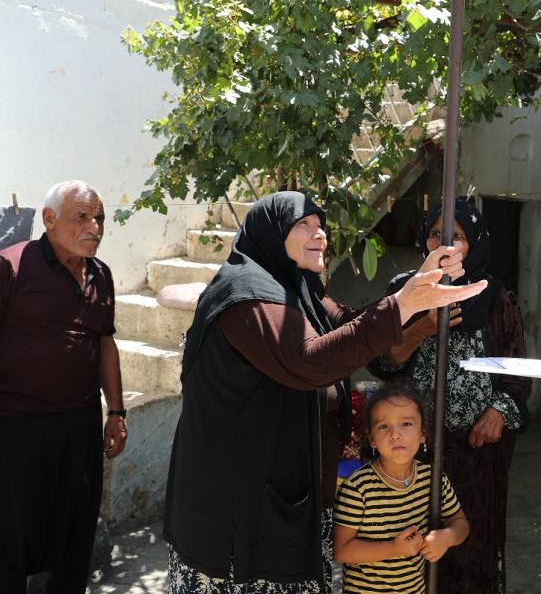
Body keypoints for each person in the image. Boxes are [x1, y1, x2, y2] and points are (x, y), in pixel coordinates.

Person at [163, 191, 486, 593]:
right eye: (304, 225)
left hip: (278, 499)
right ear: (271, 231)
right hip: (234, 505)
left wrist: (420, 284)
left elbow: (355, 330)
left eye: (322, 227)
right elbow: (309, 361)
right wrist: (402, 305)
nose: (320, 236)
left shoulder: (301, 289)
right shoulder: (244, 295)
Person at [371, 197, 530, 592]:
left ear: (473, 242)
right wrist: (421, 328)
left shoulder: (496, 299)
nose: (444, 245)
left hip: (476, 456)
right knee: (410, 551)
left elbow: (518, 372)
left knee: (470, 548)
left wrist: (499, 411)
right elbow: (381, 362)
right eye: (434, 235)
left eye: (455, 236)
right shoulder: (404, 292)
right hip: (411, 454)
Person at [0, 180, 127, 594]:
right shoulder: (13, 266)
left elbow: (105, 342)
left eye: (100, 218)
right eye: (82, 217)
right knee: (11, 534)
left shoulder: (101, 275)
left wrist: (117, 412)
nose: (95, 227)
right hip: (16, 426)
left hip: (79, 425)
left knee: (74, 528)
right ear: (49, 219)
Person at [334, 380, 469, 593]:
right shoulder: (358, 488)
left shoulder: (432, 480)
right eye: (383, 426)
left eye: (406, 423)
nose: (395, 434)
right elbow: (341, 551)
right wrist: (392, 548)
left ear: (422, 433)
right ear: (372, 440)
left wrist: (448, 537)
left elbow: (460, 523)